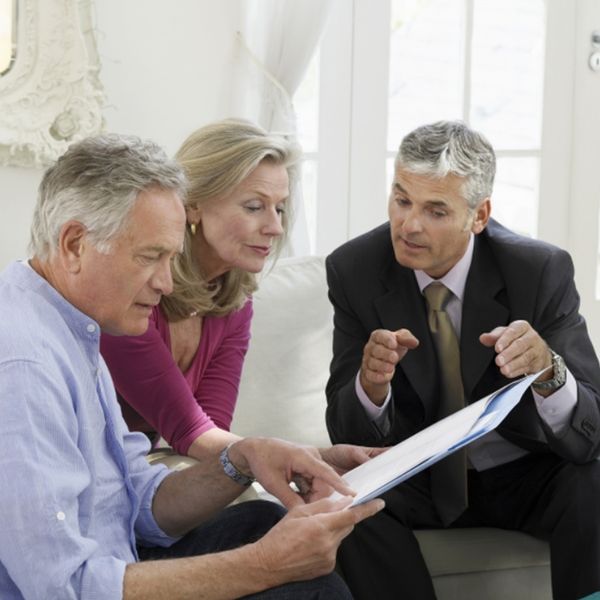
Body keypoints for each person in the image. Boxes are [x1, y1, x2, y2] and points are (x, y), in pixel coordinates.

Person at [0, 133, 385, 599]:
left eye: (171, 257)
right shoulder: (24, 366)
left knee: (264, 522)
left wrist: (242, 459)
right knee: (295, 580)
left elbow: (139, 501)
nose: (166, 282)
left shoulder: (76, 325)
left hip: (121, 557)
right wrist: (264, 565)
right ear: (76, 244)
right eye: (150, 257)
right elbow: (64, 588)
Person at [325, 120, 600, 600]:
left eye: (435, 210)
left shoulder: (538, 270)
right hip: (419, 474)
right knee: (341, 504)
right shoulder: (355, 270)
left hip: (525, 472)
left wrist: (549, 371)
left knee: (594, 481)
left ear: (479, 215)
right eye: (402, 199)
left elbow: (591, 427)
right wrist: (370, 388)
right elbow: (347, 436)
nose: (409, 224)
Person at [101, 119, 300, 460]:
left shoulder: (235, 302)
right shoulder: (133, 288)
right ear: (192, 204)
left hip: (144, 474)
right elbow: (190, 432)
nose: (275, 227)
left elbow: (212, 432)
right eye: (254, 206)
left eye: (279, 208)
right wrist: (294, 460)